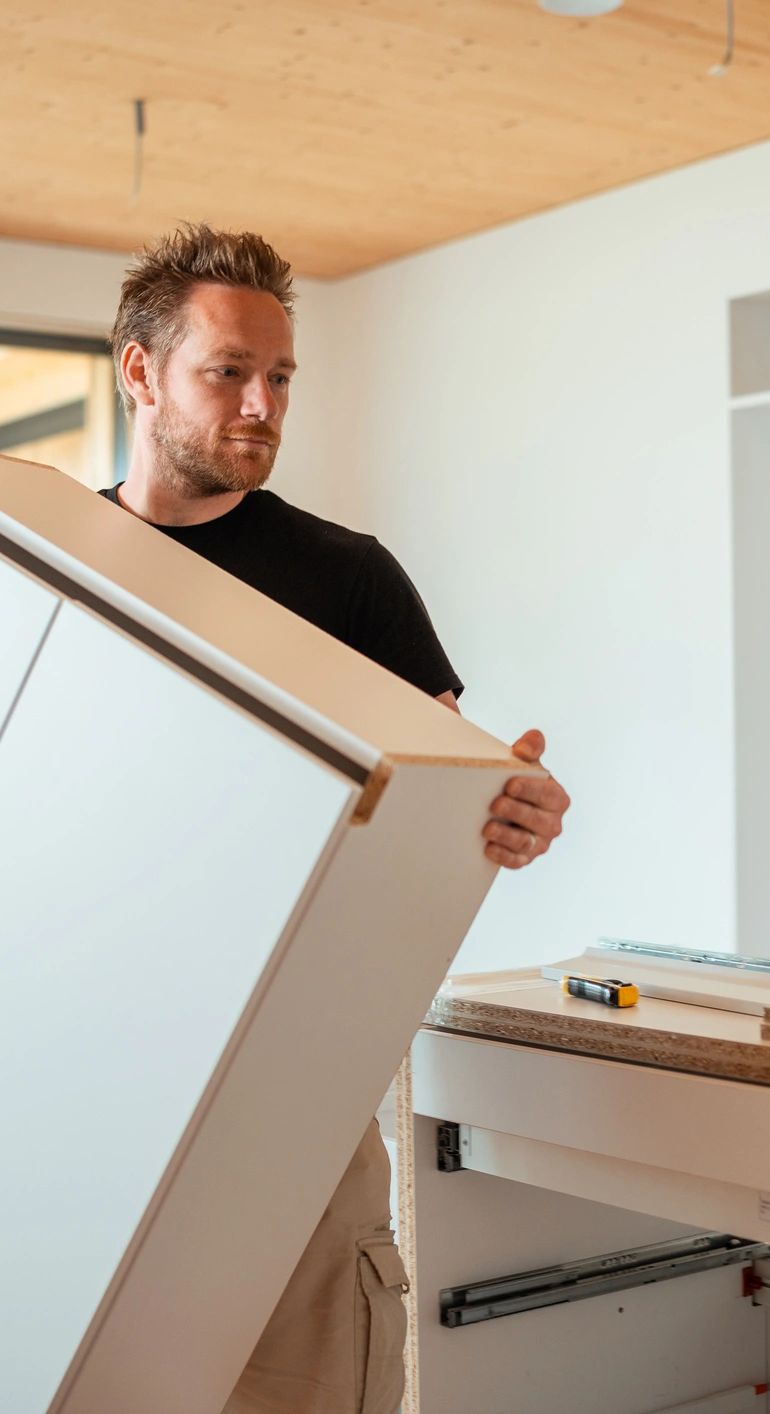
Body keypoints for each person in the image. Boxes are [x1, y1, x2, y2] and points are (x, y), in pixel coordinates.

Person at [97, 223, 572, 1413]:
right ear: (140, 370)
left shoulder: (348, 577)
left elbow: (451, 792)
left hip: (291, 1076)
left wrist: (510, 811)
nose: (262, 404)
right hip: (93, 1067)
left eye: (282, 377)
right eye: (227, 372)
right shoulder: (58, 562)